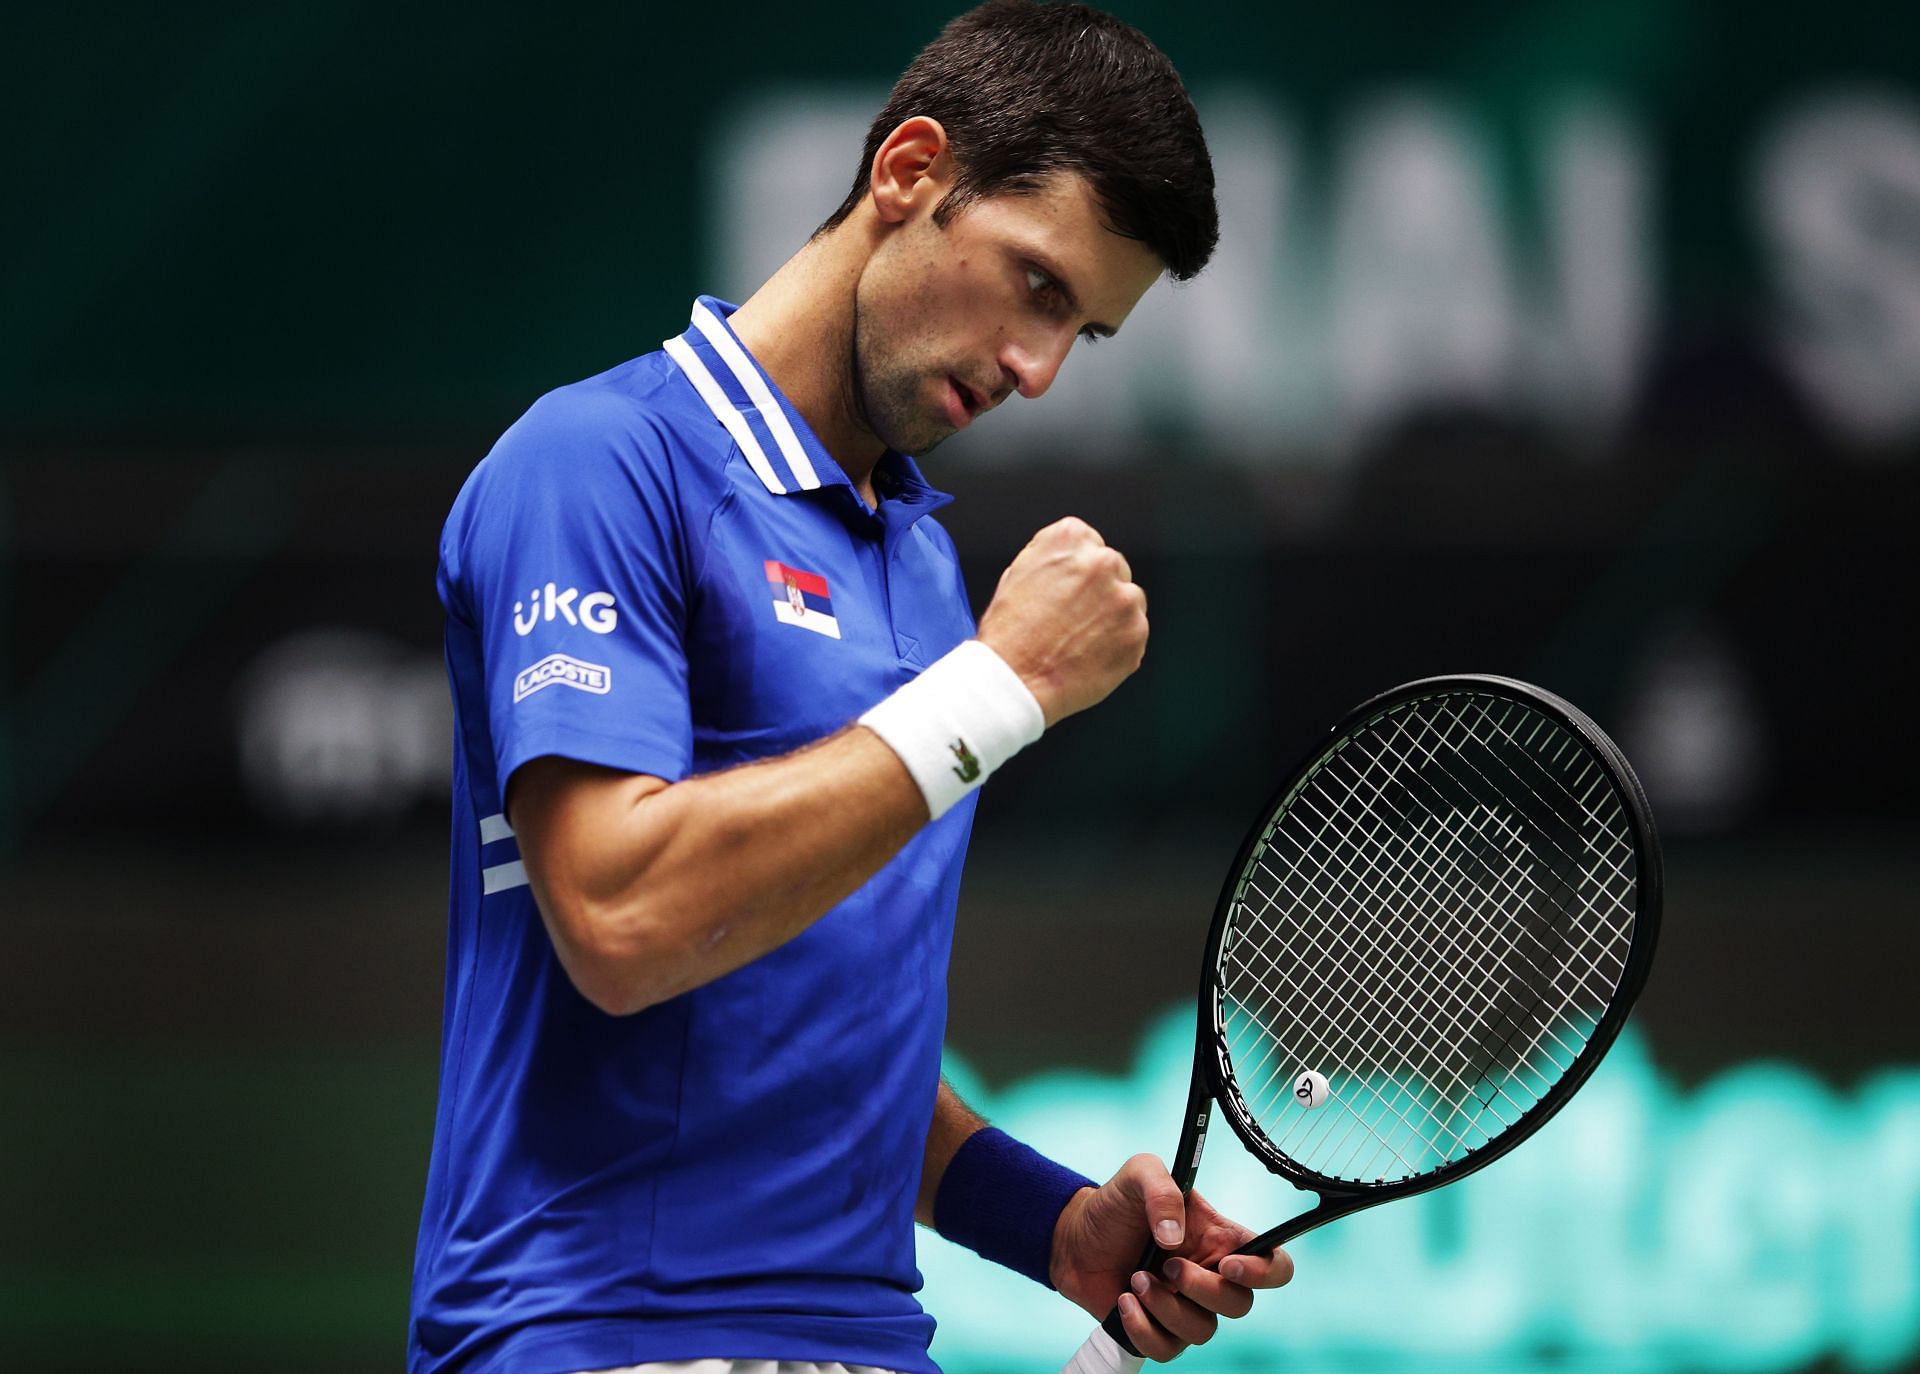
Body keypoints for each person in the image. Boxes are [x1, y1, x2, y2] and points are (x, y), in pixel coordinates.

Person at [410, 4, 1292, 1371]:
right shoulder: (596, 464)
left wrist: (1047, 1219)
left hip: (869, 1338)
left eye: (1087, 335)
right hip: (598, 1332)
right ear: (908, 175)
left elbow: (794, 1014)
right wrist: (998, 688)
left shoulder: (921, 564)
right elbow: (622, 915)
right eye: (1039, 286)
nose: (1037, 371)